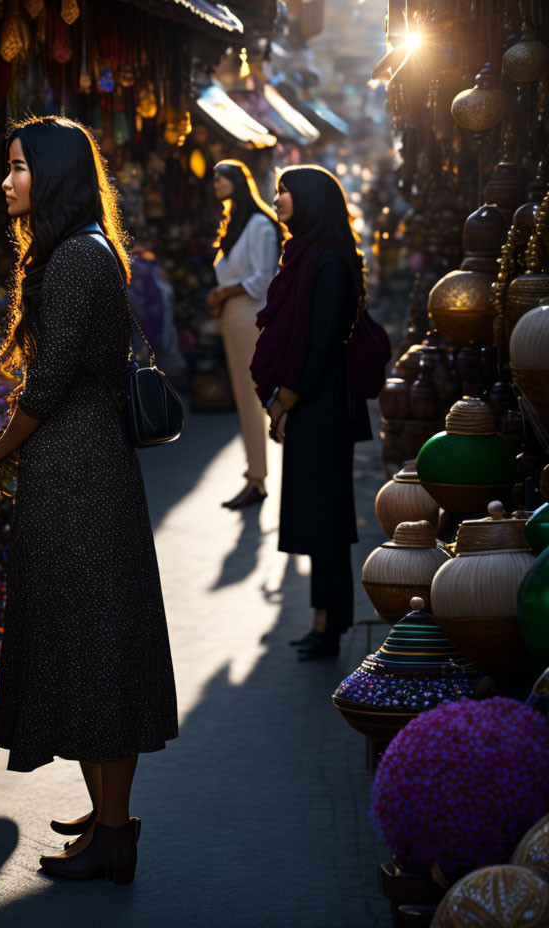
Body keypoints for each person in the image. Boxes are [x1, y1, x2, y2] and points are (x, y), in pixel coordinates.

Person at [0, 116, 178, 882]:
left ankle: (114, 833)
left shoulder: (74, 260)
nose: (7, 181)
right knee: (91, 643)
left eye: (18, 167)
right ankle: (106, 815)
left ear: (50, 175)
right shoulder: (81, 250)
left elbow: (48, 384)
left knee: (95, 648)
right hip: (80, 467)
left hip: (79, 472)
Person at [250, 166, 372, 661]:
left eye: (284, 191)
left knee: (328, 523)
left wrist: (285, 401)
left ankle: (332, 625)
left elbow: (322, 346)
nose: (277, 198)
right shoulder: (308, 255)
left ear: (311, 201)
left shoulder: (327, 263)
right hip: (314, 403)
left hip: (324, 406)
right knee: (319, 520)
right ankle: (323, 620)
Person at [208, 160, 282, 510]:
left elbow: (262, 280)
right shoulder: (235, 223)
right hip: (233, 316)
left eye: (221, 178)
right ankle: (255, 474)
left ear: (237, 182)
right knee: (245, 396)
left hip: (248, 315)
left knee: (256, 397)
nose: (216, 183)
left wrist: (224, 293)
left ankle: (257, 476)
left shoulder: (259, 224)